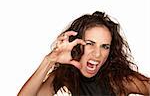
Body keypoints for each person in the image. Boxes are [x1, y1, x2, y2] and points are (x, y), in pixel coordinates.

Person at [18, 11, 150, 96]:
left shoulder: (120, 79)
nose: (97, 54)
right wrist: (49, 60)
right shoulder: (66, 76)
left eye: (105, 46)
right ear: (76, 45)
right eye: (90, 43)